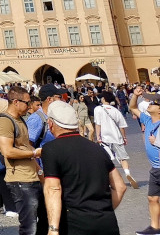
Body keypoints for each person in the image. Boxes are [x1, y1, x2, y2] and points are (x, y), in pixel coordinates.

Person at [42, 100, 126, 235]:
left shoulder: (51, 149)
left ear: (51, 124)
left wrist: (53, 229)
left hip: (74, 224)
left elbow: (53, 189)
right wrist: (104, 211)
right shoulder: (97, 148)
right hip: (106, 223)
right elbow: (120, 187)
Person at [0, 86, 44, 235]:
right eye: (27, 102)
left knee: (45, 219)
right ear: (15, 101)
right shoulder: (4, 121)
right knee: (29, 226)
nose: (29, 106)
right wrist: (34, 153)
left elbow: (26, 147)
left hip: (32, 177)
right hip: (20, 180)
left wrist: (40, 173)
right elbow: (7, 150)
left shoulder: (20, 120)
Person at [129, 87, 160, 235]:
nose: (148, 103)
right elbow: (132, 107)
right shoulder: (147, 120)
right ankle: (155, 228)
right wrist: (135, 95)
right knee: (152, 198)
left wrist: (157, 142)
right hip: (155, 168)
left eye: (152, 102)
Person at [94, 91, 138, 189]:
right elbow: (122, 126)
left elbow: (98, 123)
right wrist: (124, 137)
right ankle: (127, 173)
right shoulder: (115, 110)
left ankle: (110, 179)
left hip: (105, 138)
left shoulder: (98, 109)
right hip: (117, 137)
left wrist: (98, 137)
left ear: (103, 99)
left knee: (106, 159)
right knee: (123, 158)